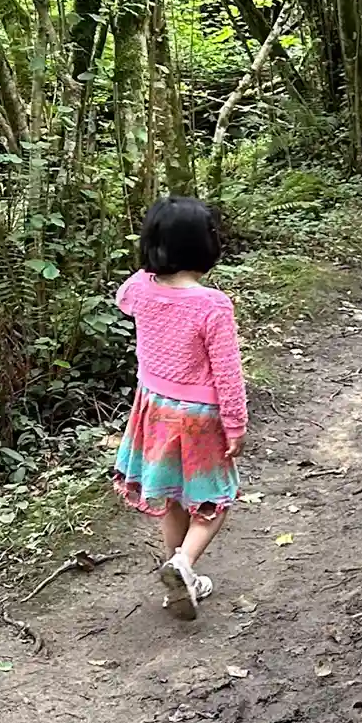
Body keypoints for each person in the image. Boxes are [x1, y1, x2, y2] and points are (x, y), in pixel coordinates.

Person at [111, 195, 248, 621]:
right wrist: (236, 423)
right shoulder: (212, 305)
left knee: (171, 495)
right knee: (214, 499)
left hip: (154, 407)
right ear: (206, 246)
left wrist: (153, 262)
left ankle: (178, 572)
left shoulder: (139, 289)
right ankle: (183, 565)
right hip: (201, 416)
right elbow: (227, 372)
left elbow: (123, 295)